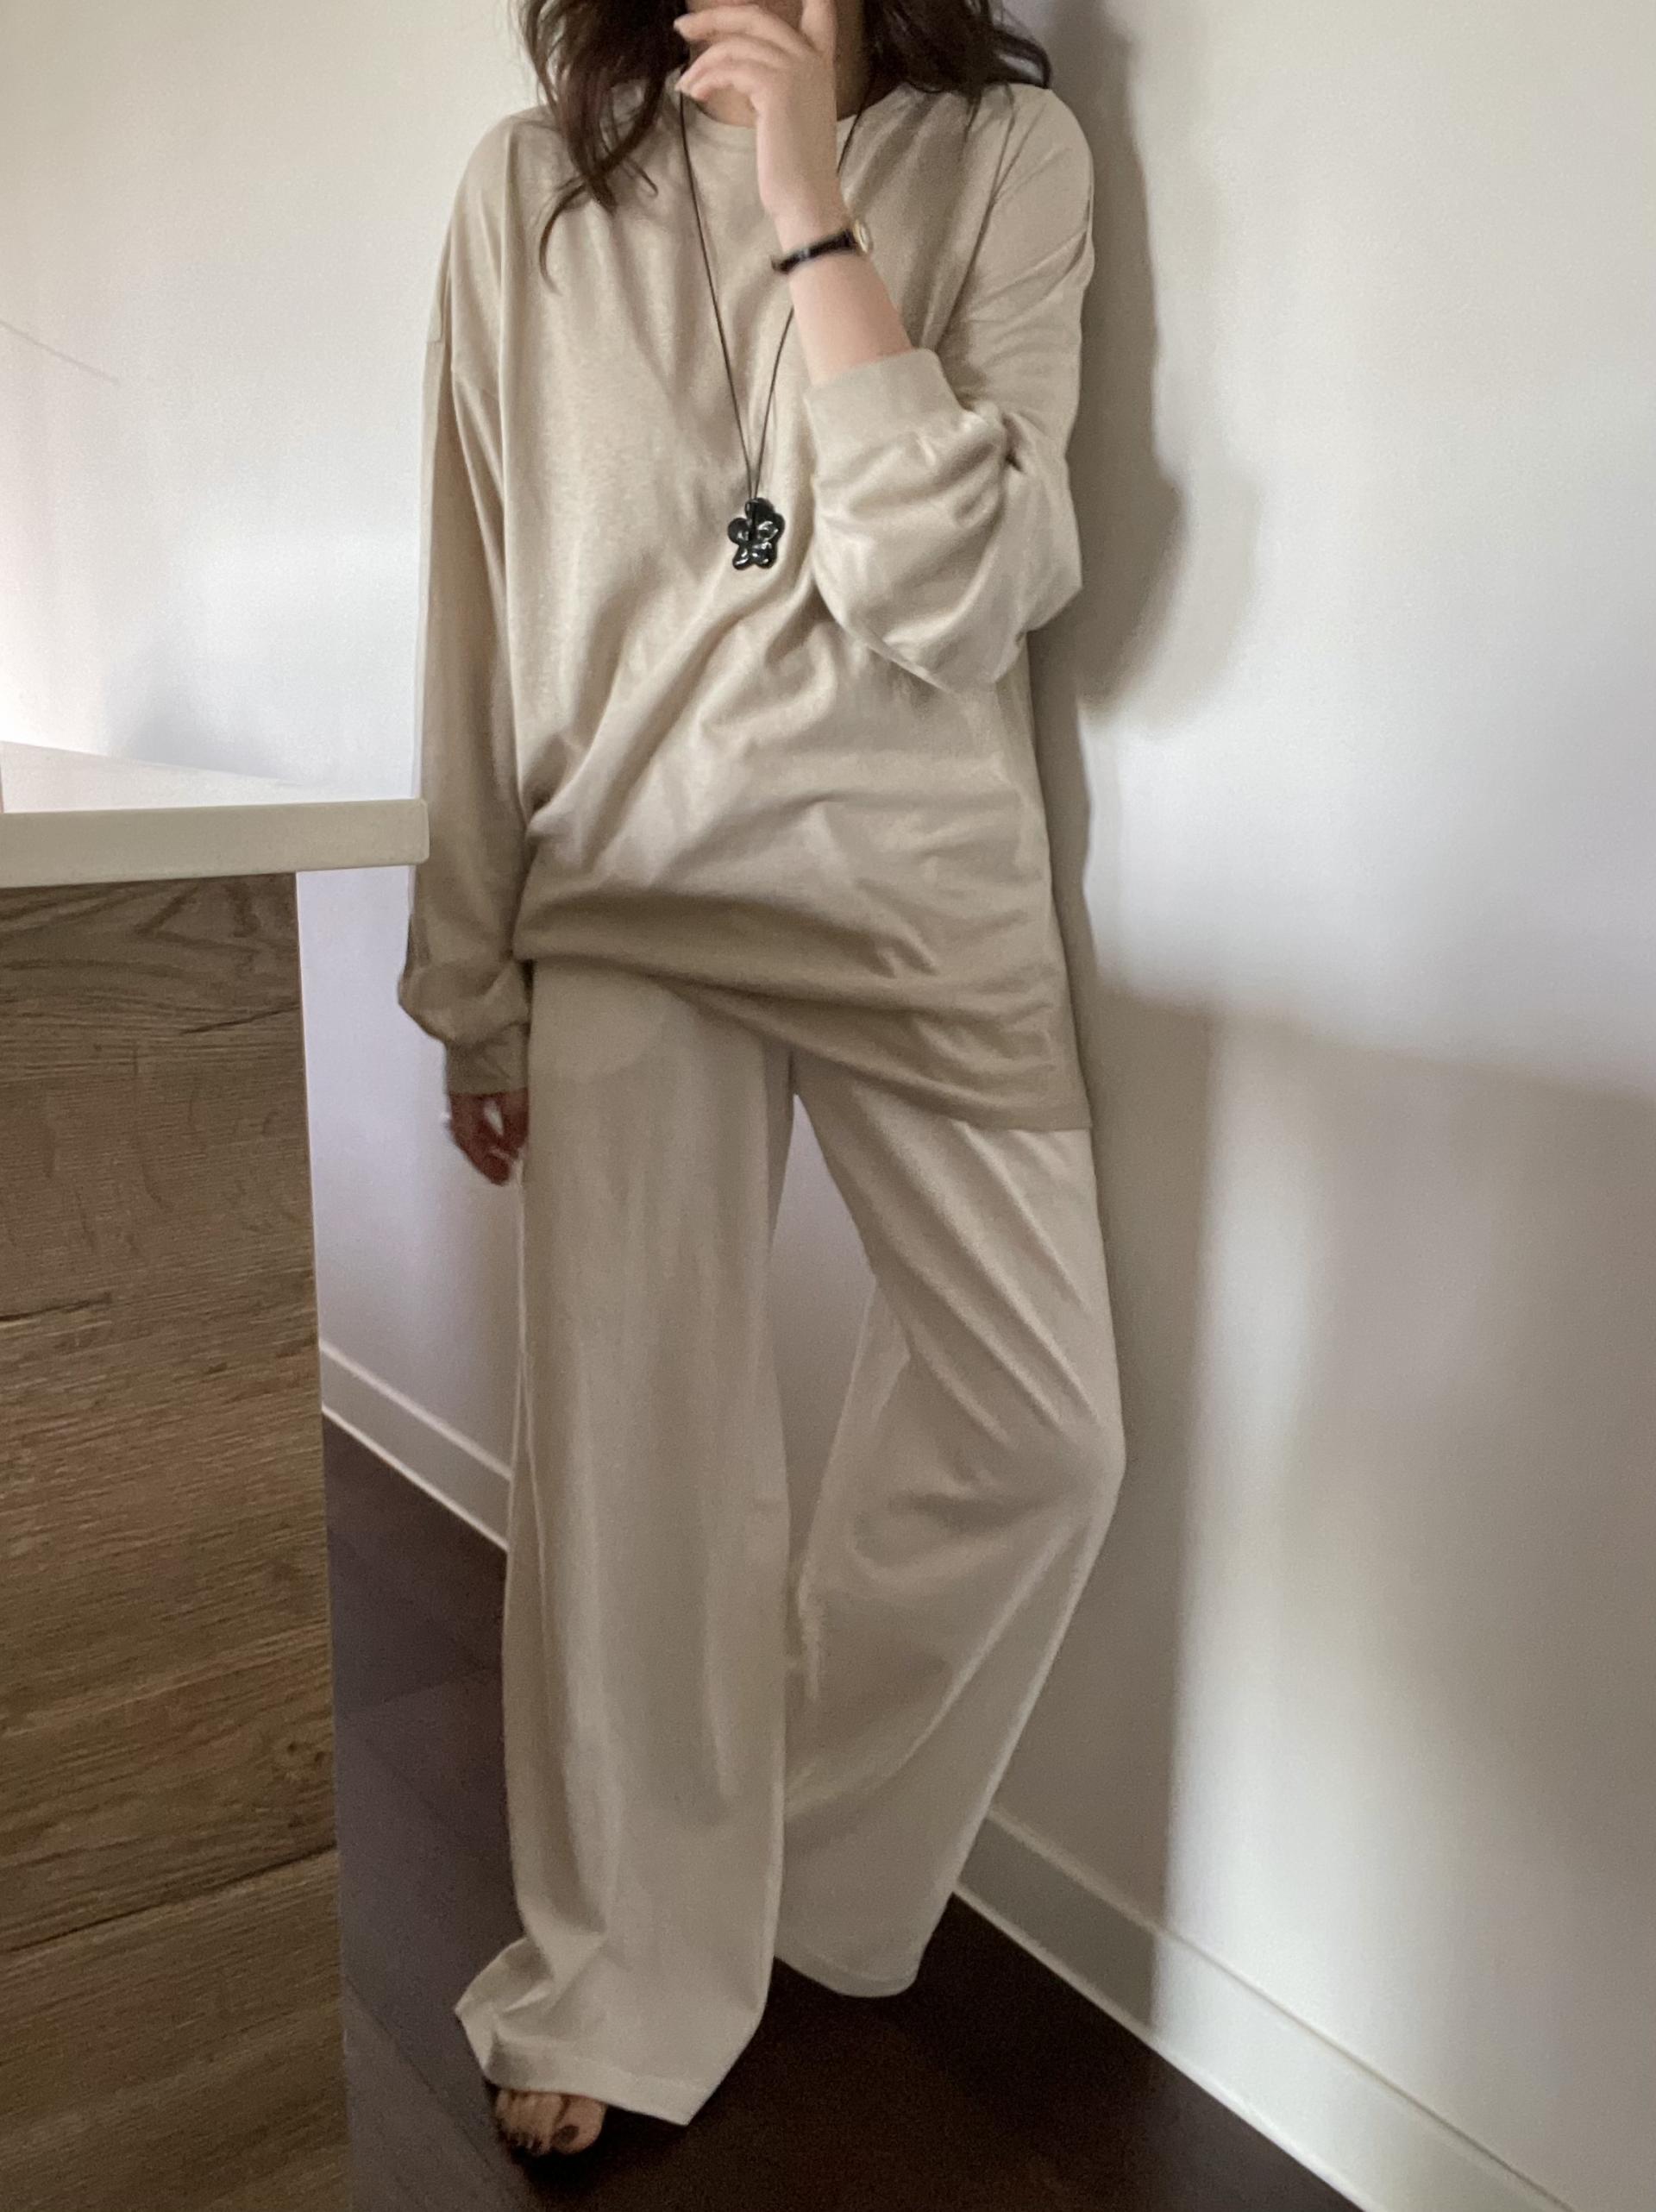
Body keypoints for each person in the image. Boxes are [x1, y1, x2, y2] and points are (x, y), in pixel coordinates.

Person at [396, 0, 1127, 2162]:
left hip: (924, 897)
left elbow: (959, 590)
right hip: (634, 891)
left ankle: (780, 1842)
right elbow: (476, 599)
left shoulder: (1007, 159)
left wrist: (813, 206)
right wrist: (474, 978)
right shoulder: (530, 193)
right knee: (635, 1472)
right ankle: (621, 1962)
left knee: (1045, 1434)